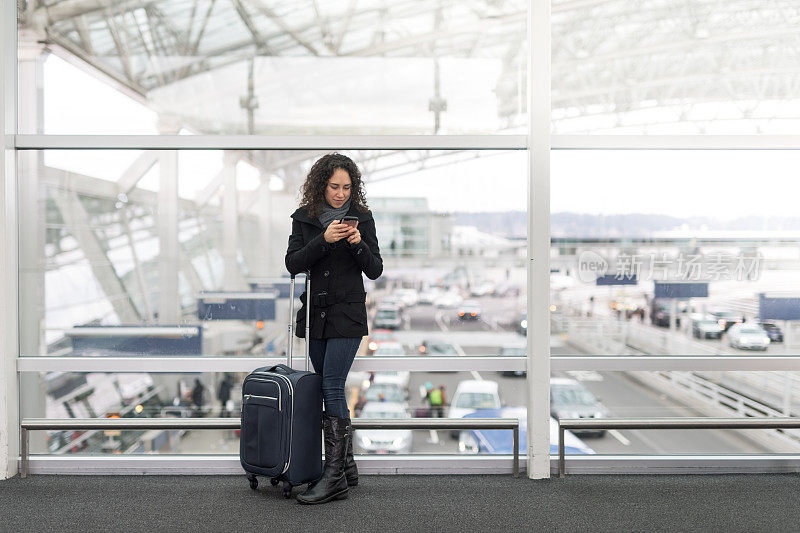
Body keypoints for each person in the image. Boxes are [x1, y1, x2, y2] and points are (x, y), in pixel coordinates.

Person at [285, 153, 383, 505]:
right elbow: (293, 263)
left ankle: (333, 477)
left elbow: (375, 270)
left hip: (347, 314)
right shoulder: (304, 219)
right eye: (334, 187)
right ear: (321, 185)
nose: (341, 194)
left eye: (347, 187)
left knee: (332, 385)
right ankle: (348, 468)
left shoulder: (364, 219)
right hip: (314, 316)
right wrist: (324, 238)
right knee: (327, 390)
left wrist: (357, 245)